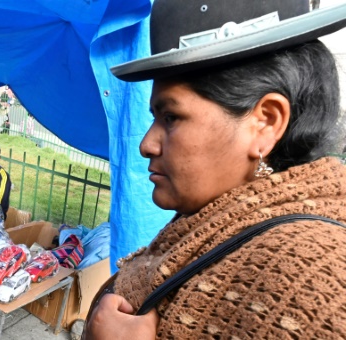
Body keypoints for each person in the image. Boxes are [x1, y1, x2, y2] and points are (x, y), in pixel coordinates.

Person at [84, 0, 346, 339]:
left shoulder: (315, 284)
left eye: (171, 117)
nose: (146, 144)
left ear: (265, 123)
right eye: (154, 118)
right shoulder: (214, 224)